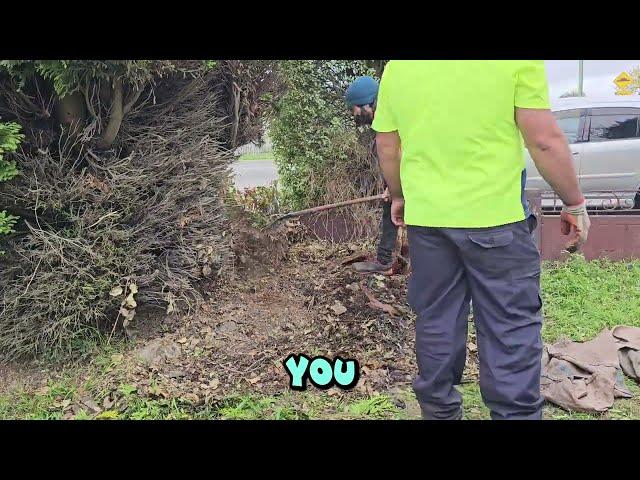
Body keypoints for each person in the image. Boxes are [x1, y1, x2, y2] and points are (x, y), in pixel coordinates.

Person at [372, 61, 590, 420]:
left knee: (437, 320)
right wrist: (574, 202)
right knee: (509, 327)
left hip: (429, 225)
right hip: (497, 221)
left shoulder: (400, 67)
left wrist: (398, 195)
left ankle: (438, 412)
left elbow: (388, 145)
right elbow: (544, 141)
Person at [344, 76, 398, 275]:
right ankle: (385, 261)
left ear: (367, 103)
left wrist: (396, 186)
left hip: (415, 174)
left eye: (355, 108)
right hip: (399, 177)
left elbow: (402, 151)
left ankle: (413, 266)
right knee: (390, 209)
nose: (354, 114)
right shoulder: (382, 118)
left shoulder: (391, 118)